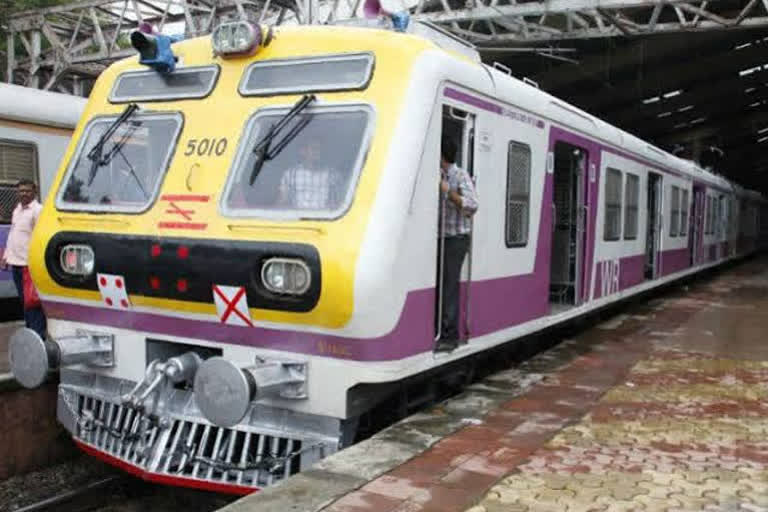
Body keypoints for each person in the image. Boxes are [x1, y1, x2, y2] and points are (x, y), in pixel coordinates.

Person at [436, 136, 479, 353]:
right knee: (439, 284)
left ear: (442, 155)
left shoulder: (460, 175)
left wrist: (448, 192)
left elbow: (472, 205)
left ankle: (450, 337)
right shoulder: (437, 175)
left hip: (456, 238)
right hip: (440, 237)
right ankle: (438, 329)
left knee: (449, 285)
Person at [1, 179, 47, 339]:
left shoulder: (38, 210)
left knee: (33, 303)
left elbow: (40, 237)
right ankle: (31, 336)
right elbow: (13, 235)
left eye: (27, 190)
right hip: (16, 264)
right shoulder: (17, 210)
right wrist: (6, 256)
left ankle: (39, 337)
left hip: (29, 265)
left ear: (34, 191)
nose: (24, 193)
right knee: (24, 303)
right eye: (21, 191)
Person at [278, 138, 342, 211]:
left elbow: (339, 202)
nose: (318, 152)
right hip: (297, 219)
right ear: (303, 151)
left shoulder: (333, 174)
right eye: (314, 149)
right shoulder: (291, 174)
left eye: (320, 149)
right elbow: (282, 201)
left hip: (324, 219)